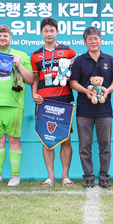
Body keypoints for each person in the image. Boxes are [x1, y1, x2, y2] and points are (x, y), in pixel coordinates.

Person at [70, 26, 113, 188]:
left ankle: (104, 177)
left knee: (105, 146)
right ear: (85, 42)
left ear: (101, 40)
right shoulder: (79, 61)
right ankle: (88, 178)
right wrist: (86, 91)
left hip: (104, 110)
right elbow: (73, 82)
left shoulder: (109, 60)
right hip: (84, 110)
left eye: (96, 38)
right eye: (90, 39)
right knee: (84, 146)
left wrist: (106, 92)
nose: (93, 41)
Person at [0, 24, 34, 187]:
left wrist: (19, 64)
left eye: (5, 35)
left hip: (14, 104)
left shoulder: (21, 55)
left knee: (14, 139)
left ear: (11, 38)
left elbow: (31, 79)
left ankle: (15, 176)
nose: (2, 38)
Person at [31, 17, 77, 186]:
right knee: (46, 140)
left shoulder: (68, 51)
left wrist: (71, 76)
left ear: (57, 32)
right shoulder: (35, 55)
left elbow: (76, 72)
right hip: (43, 101)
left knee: (66, 140)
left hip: (63, 100)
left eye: (52, 30)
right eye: (46, 31)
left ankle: (65, 176)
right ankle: (50, 176)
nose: (49, 34)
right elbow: (35, 78)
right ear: (41, 33)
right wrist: (34, 94)